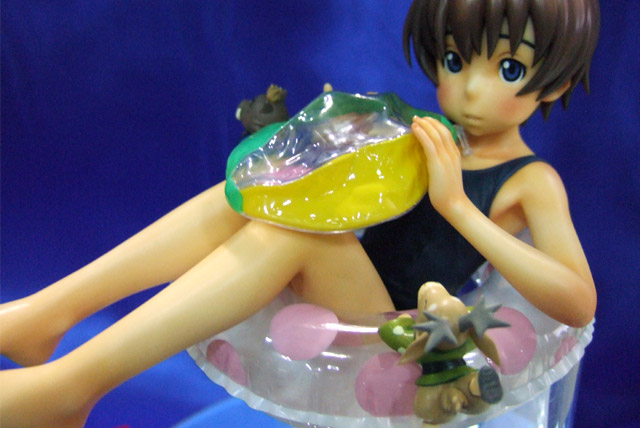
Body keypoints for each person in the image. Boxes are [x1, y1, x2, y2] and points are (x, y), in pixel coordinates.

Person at [0, 0, 599, 426]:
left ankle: (70, 387)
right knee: (246, 199)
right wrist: (333, 148)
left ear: (555, 83)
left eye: (508, 69)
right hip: (356, 295)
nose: (470, 89)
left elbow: (578, 300)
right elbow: (364, 199)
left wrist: (459, 208)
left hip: (402, 338)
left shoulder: (531, 181)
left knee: (297, 239)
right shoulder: (432, 132)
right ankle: (47, 316)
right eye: (454, 60)